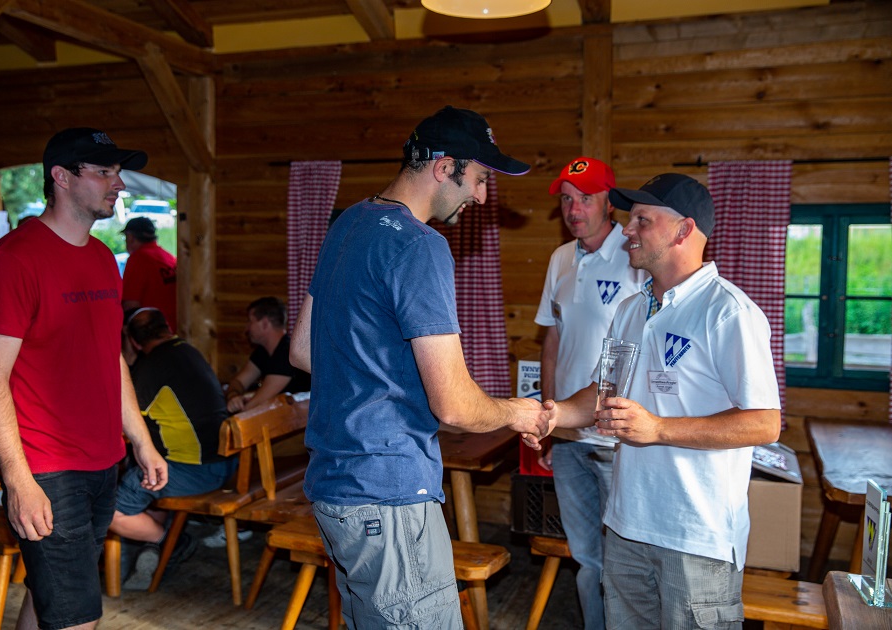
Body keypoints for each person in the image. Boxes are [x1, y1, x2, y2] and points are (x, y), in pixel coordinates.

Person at [290, 105, 556, 628]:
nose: (481, 196)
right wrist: (518, 413)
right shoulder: (419, 245)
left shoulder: (349, 222)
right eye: (480, 179)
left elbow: (302, 349)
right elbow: (453, 404)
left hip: (334, 485)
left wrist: (380, 377)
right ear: (444, 167)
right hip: (388, 491)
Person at [553, 173, 781, 629]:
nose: (627, 230)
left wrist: (658, 429)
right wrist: (551, 414)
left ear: (683, 230)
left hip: (696, 536)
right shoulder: (630, 309)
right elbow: (602, 394)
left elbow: (765, 423)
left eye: (642, 220)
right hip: (625, 525)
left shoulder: (728, 312)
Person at [0, 127, 168, 630]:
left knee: (51, 599)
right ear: (61, 177)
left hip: (103, 461)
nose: (118, 183)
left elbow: (110, 358)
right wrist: (18, 481)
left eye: (118, 172)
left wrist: (140, 440)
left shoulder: (102, 258)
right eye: (104, 171)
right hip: (47, 468)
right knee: (77, 617)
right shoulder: (13, 261)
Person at [534, 157, 647, 630]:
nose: (574, 209)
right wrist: (548, 416)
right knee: (586, 557)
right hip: (568, 435)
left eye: (585, 198)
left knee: (627, 558)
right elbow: (552, 340)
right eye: (566, 199)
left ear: (609, 202)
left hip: (614, 437)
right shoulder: (560, 258)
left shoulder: (636, 252)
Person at [111, 307, 238, 589]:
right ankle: (154, 546)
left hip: (197, 472)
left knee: (110, 511)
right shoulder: (188, 351)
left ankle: (171, 542)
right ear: (167, 327)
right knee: (148, 467)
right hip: (228, 461)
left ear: (134, 342)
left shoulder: (149, 369)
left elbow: (122, 420)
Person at [225, 296, 310, 414]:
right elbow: (238, 382)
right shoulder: (262, 352)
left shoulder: (286, 352)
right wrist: (233, 396)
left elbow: (253, 406)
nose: (246, 328)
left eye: (250, 321)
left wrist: (236, 406)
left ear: (265, 323)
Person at [122, 216, 178, 331]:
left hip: (152, 333)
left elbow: (130, 305)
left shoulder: (138, 259)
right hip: (172, 330)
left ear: (130, 237)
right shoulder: (168, 257)